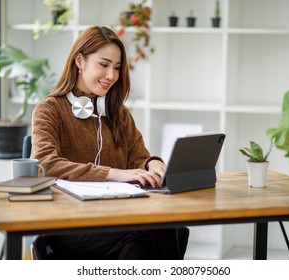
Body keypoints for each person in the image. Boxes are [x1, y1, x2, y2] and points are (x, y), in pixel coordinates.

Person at [31, 25, 187, 260]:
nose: (112, 76)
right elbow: (44, 163)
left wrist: (153, 164)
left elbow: (138, 156)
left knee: (155, 230)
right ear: (80, 61)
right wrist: (112, 174)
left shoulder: (118, 112)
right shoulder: (50, 110)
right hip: (69, 223)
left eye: (116, 67)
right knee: (142, 236)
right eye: (103, 65)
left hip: (119, 214)